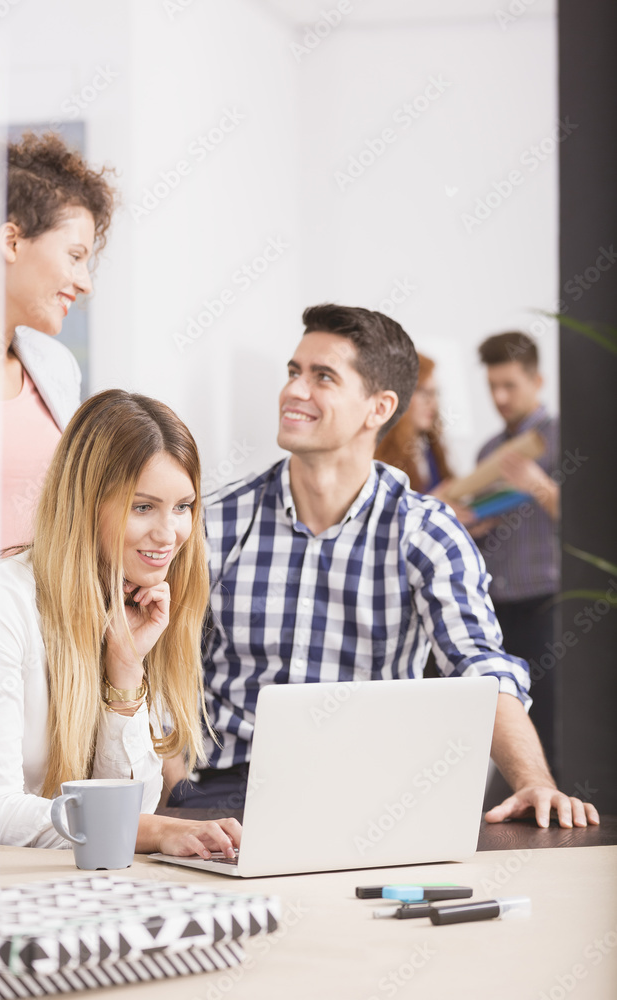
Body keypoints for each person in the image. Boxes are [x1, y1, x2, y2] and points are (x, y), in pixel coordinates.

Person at [169, 304, 597, 829]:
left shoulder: (425, 530)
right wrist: (174, 790)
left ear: (379, 407)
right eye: (293, 372)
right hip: (224, 795)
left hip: (367, 798)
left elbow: (480, 666)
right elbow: (166, 666)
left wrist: (534, 782)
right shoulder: (216, 522)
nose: (294, 391)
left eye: (322, 377)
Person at [0, 389, 240, 858]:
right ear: (86, 504)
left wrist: (125, 668)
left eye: (183, 507)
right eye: (142, 507)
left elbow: (132, 807)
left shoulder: (136, 606)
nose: (169, 535)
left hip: (77, 886)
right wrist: (156, 832)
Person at [0, 130, 116, 589]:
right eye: (75, 256)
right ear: (12, 240)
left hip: (38, 634)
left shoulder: (56, 367)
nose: (85, 283)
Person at [474, 332, 561, 774]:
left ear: (537, 380)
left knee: (550, 716)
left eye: (510, 386)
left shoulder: (562, 437)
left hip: (546, 603)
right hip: (498, 606)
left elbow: (588, 522)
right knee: (507, 714)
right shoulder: (489, 450)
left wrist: (538, 485)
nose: (500, 397)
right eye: (492, 386)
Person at [375, 353, 451, 492]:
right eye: (424, 393)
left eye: (434, 393)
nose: (432, 404)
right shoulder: (377, 455)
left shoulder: (430, 448)